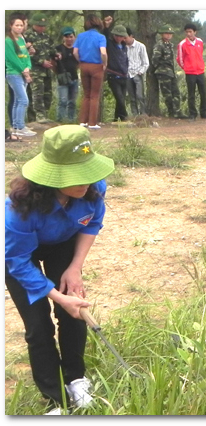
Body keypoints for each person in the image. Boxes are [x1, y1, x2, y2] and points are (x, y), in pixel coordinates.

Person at [5, 125, 115, 414]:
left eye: (88, 173)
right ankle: (54, 397)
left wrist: (75, 268)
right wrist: (56, 295)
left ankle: (76, 378)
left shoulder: (94, 187)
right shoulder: (20, 209)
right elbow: (17, 260)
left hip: (62, 244)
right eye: (75, 177)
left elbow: (92, 223)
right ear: (51, 175)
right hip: (20, 255)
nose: (85, 183)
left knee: (74, 312)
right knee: (38, 325)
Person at [73, 14, 107, 129]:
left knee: (86, 94)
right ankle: (92, 123)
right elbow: (103, 52)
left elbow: (75, 52)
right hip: (96, 66)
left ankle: (82, 121)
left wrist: (80, 61)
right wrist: (105, 63)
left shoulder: (81, 36)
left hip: (84, 65)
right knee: (94, 95)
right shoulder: (100, 37)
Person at [6, 15, 37, 137]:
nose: (19, 27)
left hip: (24, 71)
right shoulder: (7, 41)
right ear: (11, 26)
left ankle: (15, 126)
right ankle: (20, 126)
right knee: (24, 100)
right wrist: (24, 72)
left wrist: (28, 67)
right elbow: (12, 59)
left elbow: (26, 55)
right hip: (14, 73)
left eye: (21, 25)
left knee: (18, 101)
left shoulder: (22, 39)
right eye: (16, 25)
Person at [24, 12, 54, 124]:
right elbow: (26, 54)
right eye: (40, 26)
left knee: (47, 94)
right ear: (34, 25)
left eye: (44, 26)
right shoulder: (27, 36)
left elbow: (51, 49)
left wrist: (56, 54)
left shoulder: (46, 36)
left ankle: (44, 114)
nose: (42, 28)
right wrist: (41, 61)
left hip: (47, 71)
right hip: (35, 71)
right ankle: (37, 117)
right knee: (37, 94)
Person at [152, 25, 186, 119]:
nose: (168, 35)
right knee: (167, 94)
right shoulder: (159, 45)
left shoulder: (170, 45)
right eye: (166, 33)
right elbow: (155, 59)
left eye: (170, 34)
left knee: (176, 93)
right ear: (162, 34)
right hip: (163, 73)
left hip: (171, 72)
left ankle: (178, 112)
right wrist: (160, 69)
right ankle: (171, 112)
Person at [177, 23, 206, 120]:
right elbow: (180, 59)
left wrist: (200, 66)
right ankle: (192, 114)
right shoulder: (182, 44)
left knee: (203, 92)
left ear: (195, 32)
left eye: (190, 32)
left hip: (200, 71)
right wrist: (186, 68)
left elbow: (200, 54)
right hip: (190, 72)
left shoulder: (200, 42)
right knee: (191, 94)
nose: (189, 34)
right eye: (187, 32)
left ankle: (204, 112)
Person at [104, 25, 130, 122]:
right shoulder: (110, 44)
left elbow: (125, 60)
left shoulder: (124, 47)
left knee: (122, 98)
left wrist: (126, 70)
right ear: (114, 35)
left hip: (124, 76)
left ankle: (117, 118)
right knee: (119, 98)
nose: (119, 38)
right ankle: (126, 117)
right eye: (117, 36)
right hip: (113, 76)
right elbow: (105, 35)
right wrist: (106, 26)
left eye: (121, 36)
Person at [54, 27, 80, 123]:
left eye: (71, 36)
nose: (69, 39)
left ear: (74, 37)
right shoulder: (58, 48)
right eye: (67, 37)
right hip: (63, 78)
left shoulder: (76, 49)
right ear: (63, 38)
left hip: (74, 77)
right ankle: (61, 120)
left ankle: (71, 120)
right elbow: (53, 63)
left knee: (72, 102)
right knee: (63, 101)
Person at [124, 27, 149, 117]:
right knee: (131, 96)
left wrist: (140, 72)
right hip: (128, 74)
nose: (124, 40)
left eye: (126, 37)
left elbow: (146, 62)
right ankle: (134, 114)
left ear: (131, 36)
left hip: (138, 74)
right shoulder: (123, 47)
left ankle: (143, 113)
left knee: (140, 95)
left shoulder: (140, 46)